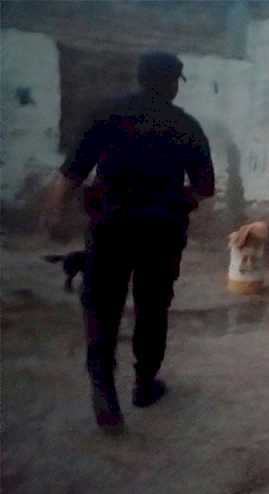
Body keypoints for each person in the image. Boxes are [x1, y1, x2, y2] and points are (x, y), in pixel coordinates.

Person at [45, 51, 215, 432]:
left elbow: (72, 172)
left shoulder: (106, 114)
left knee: (103, 307)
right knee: (152, 308)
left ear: (140, 78)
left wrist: (53, 215)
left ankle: (104, 390)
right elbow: (204, 188)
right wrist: (181, 199)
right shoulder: (185, 125)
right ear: (172, 83)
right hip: (162, 233)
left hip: (110, 228)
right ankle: (143, 384)